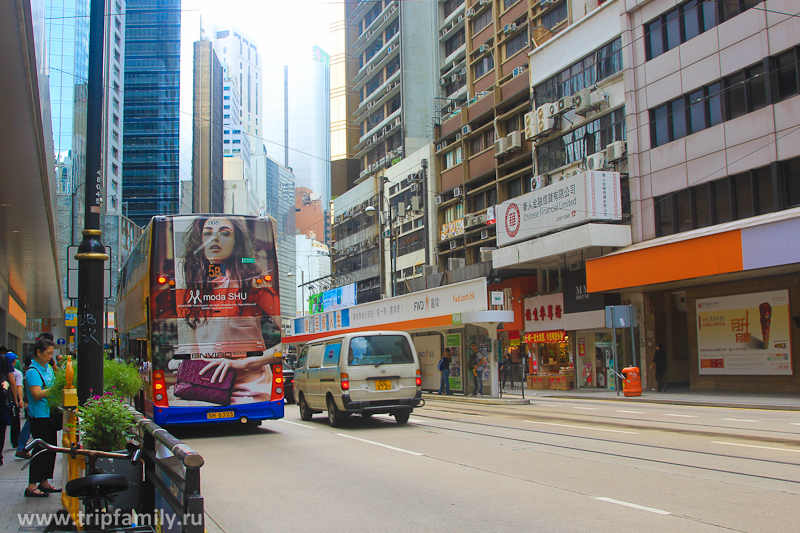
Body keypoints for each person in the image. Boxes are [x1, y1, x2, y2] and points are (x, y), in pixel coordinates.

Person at [175, 216, 281, 405]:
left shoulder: (253, 282)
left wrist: (243, 363)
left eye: (224, 233)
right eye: (207, 234)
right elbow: (195, 349)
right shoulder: (197, 287)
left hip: (250, 389)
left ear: (236, 242)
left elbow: (290, 340)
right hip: (206, 388)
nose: (214, 239)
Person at [24, 338, 61, 497]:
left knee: (50, 449)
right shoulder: (33, 371)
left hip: (50, 415)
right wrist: (55, 389)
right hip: (39, 416)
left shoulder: (48, 368)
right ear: (38, 353)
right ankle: (32, 485)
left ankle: (44, 481)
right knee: (40, 450)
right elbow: (37, 394)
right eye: (48, 354)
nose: (50, 357)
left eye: (52, 354)